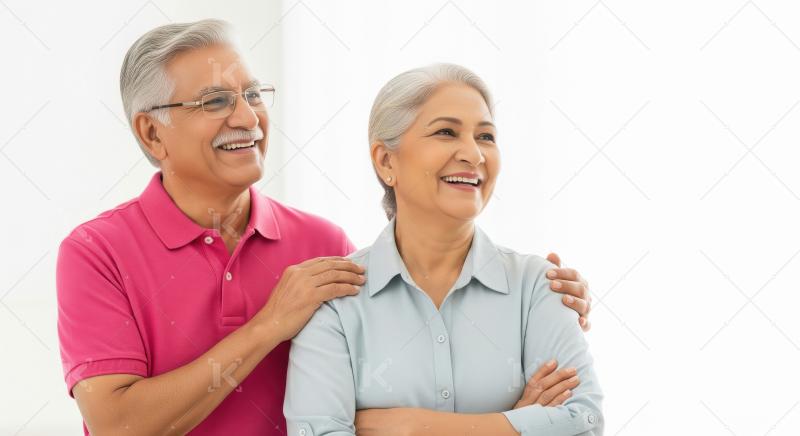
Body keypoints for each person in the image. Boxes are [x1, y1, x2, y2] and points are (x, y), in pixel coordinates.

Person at [56, 20, 594, 435]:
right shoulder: (96, 252)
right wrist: (269, 326)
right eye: (216, 100)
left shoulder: (322, 246)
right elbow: (117, 423)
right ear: (153, 134)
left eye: (253, 94)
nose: (247, 117)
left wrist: (545, 308)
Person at [284, 64, 603, 436]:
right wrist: (514, 424)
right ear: (387, 161)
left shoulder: (537, 287)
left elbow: (584, 422)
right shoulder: (335, 301)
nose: (473, 154)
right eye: (446, 132)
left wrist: (409, 427)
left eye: (485, 137)